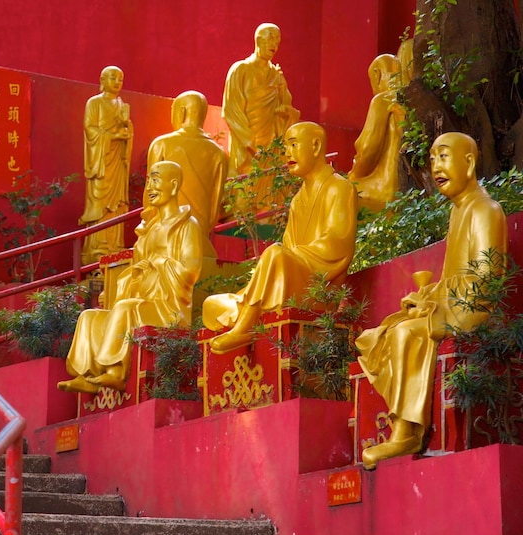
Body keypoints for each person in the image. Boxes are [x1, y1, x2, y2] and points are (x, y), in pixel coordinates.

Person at [357, 132, 507, 469]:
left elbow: (485, 282)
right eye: (433, 158)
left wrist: (436, 296)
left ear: (469, 163)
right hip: (453, 303)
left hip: (475, 308)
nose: (435, 166)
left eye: (443, 156)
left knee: (405, 333)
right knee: (386, 329)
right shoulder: (459, 212)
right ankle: (404, 424)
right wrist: (429, 294)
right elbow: (457, 276)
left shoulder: (485, 210)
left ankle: (407, 431)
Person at [203, 122, 357, 354]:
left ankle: (245, 326)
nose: (287, 153)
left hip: (318, 288)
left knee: (275, 252)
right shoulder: (297, 200)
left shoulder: (339, 188)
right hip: (292, 279)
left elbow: (338, 245)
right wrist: (286, 258)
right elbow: (287, 253)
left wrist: (288, 258)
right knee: (212, 304)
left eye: (294, 145)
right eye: (286, 147)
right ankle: (249, 313)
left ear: (315, 146)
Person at [59, 161, 202, 394]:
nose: (149, 188)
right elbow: (134, 269)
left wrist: (158, 263)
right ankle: (87, 375)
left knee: (124, 309)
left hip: (168, 307)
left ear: (173, 185)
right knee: (90, 317)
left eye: (156, 180)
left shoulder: (186, 226)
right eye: (148, 182)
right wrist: (136, 273)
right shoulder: (149, 229)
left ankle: (115, 372)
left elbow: (190, 270)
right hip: (142, 298)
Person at [146, 91, 228, 257]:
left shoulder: (161, 144)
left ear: (181, 112)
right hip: (199, 236)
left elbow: (150, 197)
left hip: (163, 234)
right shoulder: (218, 153)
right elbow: (215, 205)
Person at [222, 23, 300, 177]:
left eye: (278, 41)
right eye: (271, 39)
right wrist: (249, 140)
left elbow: (286, 105)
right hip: (248, 145)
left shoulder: (276, 74)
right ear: (258, 39)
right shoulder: (240, 69)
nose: (274, 44)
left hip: (272, 144)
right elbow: (231, 110)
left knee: (269, 188)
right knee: (245, 188)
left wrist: (282, 88)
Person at [81, 65, 133, 265]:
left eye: (121, 78)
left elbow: (128, 129)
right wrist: (112, 136)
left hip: (117, 163)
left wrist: (127, 129)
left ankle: (115, 245)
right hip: (101, 162)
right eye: (113, 78)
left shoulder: (123, 106)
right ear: (102, 80)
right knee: (101, 202)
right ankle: (98, 247)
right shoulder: (94, 103)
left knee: (118, 203)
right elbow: (90, 128)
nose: (118, 82)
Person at [347, 54, 405, 211]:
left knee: (341, 190)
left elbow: (368, 149)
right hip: (404, 190)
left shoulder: (382, 100)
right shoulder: (409, 100)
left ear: (377, 75)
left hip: (383, 188)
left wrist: (353, 175)